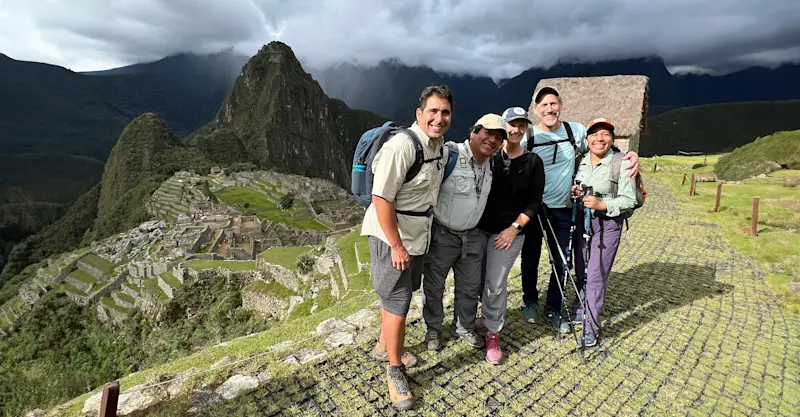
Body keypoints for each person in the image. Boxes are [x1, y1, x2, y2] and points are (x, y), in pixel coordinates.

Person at [360, 85, 452, 410]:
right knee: (398, 306)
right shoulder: (402, 146)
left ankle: (384, 347)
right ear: (419, 114)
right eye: (433, 111)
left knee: (401, 296)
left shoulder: (439, 148)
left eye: (445, 113)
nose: (438, 118)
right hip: (392, 237)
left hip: (417, 236)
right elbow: (381, 199)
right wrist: (397, 245)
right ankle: (394, 371)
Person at [519, 87, 640, 334]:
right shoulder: (528, 136)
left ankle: (553, 307)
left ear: (560, 105)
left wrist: (629, 155)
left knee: (562, 262)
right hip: (533, 209)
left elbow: (601, 150)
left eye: (553, 104)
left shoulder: (574, 131)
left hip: (564, 210)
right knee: (530, 259)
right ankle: (529, 300)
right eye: (543, 105)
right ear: (536, 109)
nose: (549, 109)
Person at [422, 113, 506, 351]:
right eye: (487, 133)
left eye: (498, 138)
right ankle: (433, 330)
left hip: (473, 236)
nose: (492, 140)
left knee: (469, 288)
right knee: (434, 287)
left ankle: (464, 328)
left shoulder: (492, 164)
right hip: (443, 234)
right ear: (474, 132)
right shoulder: (450, 154)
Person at [475, 107, 545, 365]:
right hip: (479, 229)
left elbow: (535, 202)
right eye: (511, 125)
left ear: (525, 129)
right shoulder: (491, 158)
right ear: (503, 128)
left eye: (521, 125)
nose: (515, 130)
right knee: (478, 279)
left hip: (509, 233)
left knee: (495, 283)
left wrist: (514, 228)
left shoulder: (532, 162)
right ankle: (485, 317)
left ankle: (493, 333)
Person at [570, 118, 638, 346]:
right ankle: (581, 305)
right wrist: (576, 193)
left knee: (596, 275)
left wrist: (603, 205)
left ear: (613, 138)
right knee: (581, 268)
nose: (600, 139)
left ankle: (591, 326)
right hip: (582, 220)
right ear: (587, 139)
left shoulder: (622, 163)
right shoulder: (580, 160)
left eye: (606, 134)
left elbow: (629, 200)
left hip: (608, 225)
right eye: (594, 135)